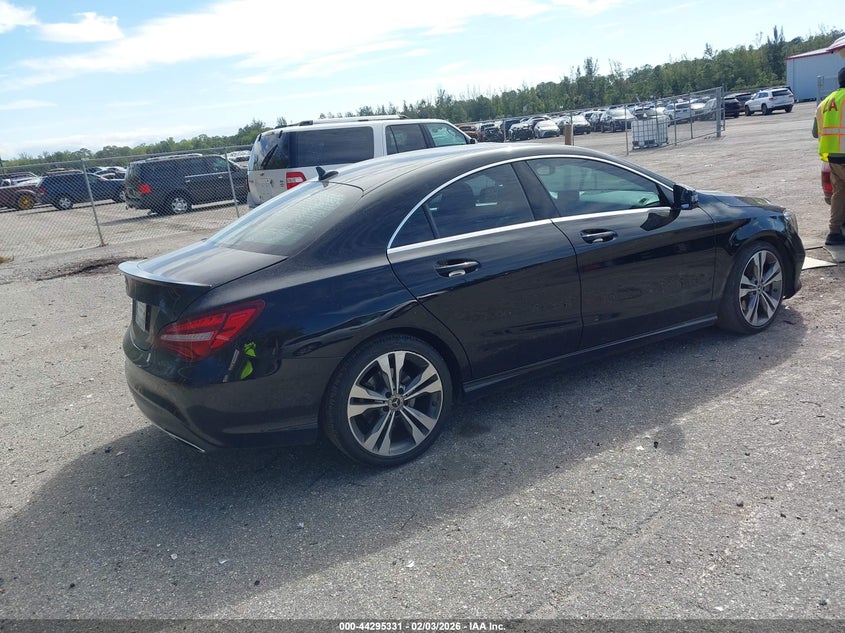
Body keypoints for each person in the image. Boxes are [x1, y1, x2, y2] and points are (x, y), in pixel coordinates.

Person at [813, 66, 845, 245]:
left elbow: (815, 132)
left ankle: (834, 233)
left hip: (833, 158)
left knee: (839, 194)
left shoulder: (825, 103)